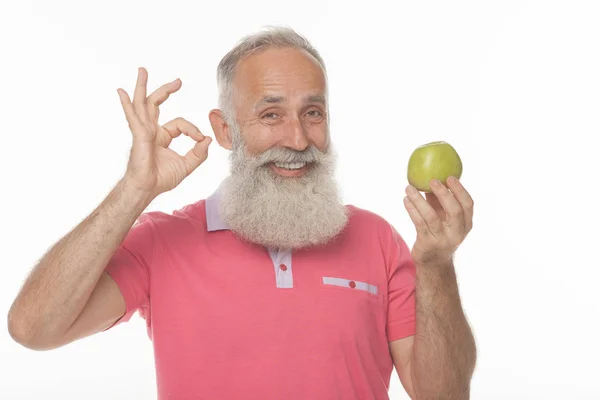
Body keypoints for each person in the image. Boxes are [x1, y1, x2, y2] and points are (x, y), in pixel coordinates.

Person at [7, 26, 477, 399]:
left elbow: (444, 395)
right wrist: (133, 190)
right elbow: (33, 329)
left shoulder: (376, 238)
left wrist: (436, 264)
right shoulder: (162, 242)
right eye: (271, 115)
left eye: (313, 113)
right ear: (225, 129)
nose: (297, 140)